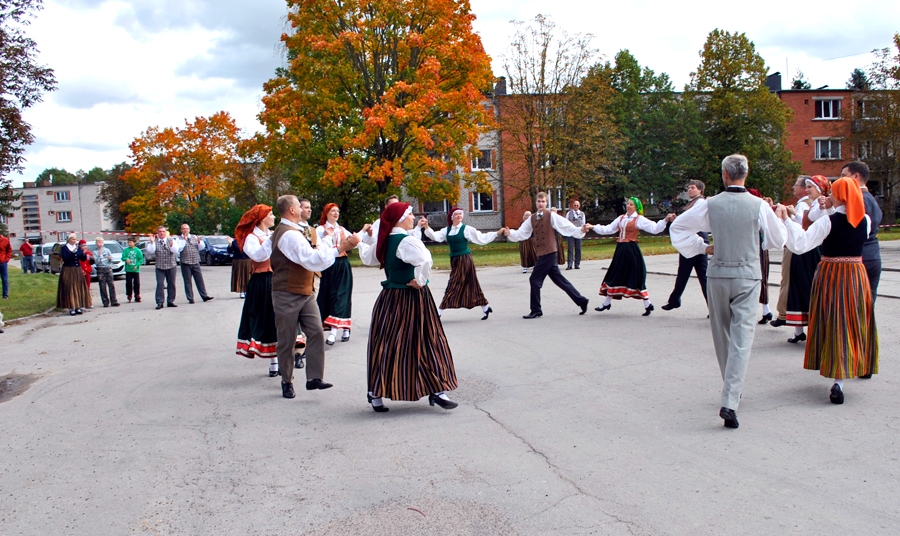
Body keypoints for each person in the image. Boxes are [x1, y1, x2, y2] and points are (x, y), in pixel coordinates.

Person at [669, 154, 787, 429]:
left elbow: (678, 227)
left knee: (722, 336)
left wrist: (702, 247)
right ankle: (730, 397)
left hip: (719, 273)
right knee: (742, 339)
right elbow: (778, 239)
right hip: (747, 274)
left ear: (724, 174)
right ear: (746, 174)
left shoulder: (710, 204)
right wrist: (758, 240)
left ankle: (731, 391)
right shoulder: (759, 205)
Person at [778, 177, 878, 404]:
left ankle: (837, 377)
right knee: (854, 319)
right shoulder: (865, 220)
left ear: (840, 196)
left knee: (835, 322)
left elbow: (801, 244)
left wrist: (787, 221)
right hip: (856, 274)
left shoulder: (829, 221)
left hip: (832, 274)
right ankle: (858, 363)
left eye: (833, 192)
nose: (829, 195)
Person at [367, 202, 458, 412]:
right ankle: (435, 391)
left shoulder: (385, 240)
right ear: (400, 219)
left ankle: (378, 392)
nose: (413, 218)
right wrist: (421, 280)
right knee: (427, 340)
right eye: (409, 215)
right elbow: (426, 259)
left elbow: (368, 257)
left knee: (388, 345)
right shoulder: (406, 240)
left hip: (390, 299)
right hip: (411, 296)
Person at [271, 195, 349, 399]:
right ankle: (286, 381)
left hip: (305, 291)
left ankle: (314, 377)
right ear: (291, 210)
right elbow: (312, 260)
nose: (303, 209)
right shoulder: (289, 234)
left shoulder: (295, 231)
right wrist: (336, 247)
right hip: (286, 293)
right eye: (299, 206)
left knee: (316, 332)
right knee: (287, 340)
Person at [503, 192, 591, 319]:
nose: (541, 204)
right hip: (542, 253)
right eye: (539, 201)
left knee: (534, 280)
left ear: (546, 203)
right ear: (536, 202)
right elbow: (522, 233)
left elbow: (566, 226)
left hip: (549, 253)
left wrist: (579, 230)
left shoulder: (552, 216)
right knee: (560, 280)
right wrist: (510, 233)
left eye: (543, 201)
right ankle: (581, 300)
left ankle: (536, 310)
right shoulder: (532, 218)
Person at [587, 197, 675, 316]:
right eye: (628, 204)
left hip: (631, 250)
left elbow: (654, 229)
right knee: (614, 274)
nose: (628, 206)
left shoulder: (639, 219)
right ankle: (607, 302)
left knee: (636, 275)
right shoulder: (621, 218)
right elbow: (608, 229)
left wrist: (666, 219)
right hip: (621, 249)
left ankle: (647, 303)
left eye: (631, 205)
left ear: (636, 207)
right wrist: (593, 227)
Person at [418, 206, 500, 320]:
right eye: (456, 214)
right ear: (452, 217)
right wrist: (426, 226)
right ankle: (485, 307)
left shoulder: (466, 229)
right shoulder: (447, 230)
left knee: (454, 283)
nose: (459, 216)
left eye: (460, 214)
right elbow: (436, 236)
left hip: (465, 259)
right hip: (455, 260)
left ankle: (439, 311)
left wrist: (497, 233)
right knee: (472, 283)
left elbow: (481, 238)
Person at [234, 204, 279, 377]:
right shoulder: (251, 238)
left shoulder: (272, 235)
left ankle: (286, 357)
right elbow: (259, 256)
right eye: (271, 214)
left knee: (280, 319)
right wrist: (271, 240)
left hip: (278, 278)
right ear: (262, 218)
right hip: (262, 281)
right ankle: (274, 362)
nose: (274, 217)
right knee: (266, 319)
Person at [782, 175, 829, 344]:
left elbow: (813, 226)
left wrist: (790, 218)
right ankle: (799, 329)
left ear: (820, 188)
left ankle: (813, 330)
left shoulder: (822, 205)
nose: (807, 190)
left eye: (810, 187)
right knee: (799, 286)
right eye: (806, 186)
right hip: (805, 249)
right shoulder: (815, 204)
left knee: (809, 287)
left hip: (812, 250)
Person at [316, 203, 368, 345]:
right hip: (328, 265)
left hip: (342, 264)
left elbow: (355, 240)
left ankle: (337, 330)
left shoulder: (342, 229)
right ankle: (338, 327)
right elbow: (318, 247)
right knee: (328, 295)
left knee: (342, 294)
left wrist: (364, 231)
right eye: (332, 211)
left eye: (337, 211)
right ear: (326, 213)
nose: (336, 213)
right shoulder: (320, 229)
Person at [661, 180, 709, 313]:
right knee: (700, 275)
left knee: (687, 273)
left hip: (694, 240)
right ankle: (712, 307)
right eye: (689, 188)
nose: (689, 190)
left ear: (700, 190)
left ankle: (674, 300)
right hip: (695, 239)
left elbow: (694, 221)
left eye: (692, 188)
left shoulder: (699, 202)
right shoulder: (693, 203)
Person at [770, 176, 810, 327]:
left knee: (788, 280)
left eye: (796, 185)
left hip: (796, 247)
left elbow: (800, 226)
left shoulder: (802, 205)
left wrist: (785, 217)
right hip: (805, 247)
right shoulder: (810, 204)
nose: (793, 187)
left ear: (804, 188)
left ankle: (784, 313)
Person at [176, 224, 213, 304]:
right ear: (181, 230)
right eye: (183, 229)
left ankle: (204, 296)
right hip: (185, 262)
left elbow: (201, 247)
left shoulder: (194, 237)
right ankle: (190, 298)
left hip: (195, 261)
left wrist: (199, 242)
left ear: (189, 230)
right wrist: (184, 240)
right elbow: (179, 249)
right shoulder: (178, 239)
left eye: (187, 229)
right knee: (187, 281)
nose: (185, 230)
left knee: (199, 280)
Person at [146, 226, 180, 309]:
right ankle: (160, 302)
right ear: (157, 233)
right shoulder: (155, 242)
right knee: (160, 284)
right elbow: (151, 251)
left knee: (171, 283)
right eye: (160, 231)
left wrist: (172, 246)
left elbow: (175, 251)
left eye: (163, 231)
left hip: (171, 265)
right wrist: (152, 242)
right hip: (160, 266)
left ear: (166, 232)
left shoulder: (171, 240)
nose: (161, 233)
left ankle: (170, 301)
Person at [56, 233, 90, 315]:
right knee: (70, 288)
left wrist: (84, 253)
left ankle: (78, 306)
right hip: (68, 269)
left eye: (75, 239)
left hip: (77, 269)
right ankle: (71, 307)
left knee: (78, 287)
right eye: (73, 239)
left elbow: (82, 259)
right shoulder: (64, 248)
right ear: (69, 240)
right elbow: (65, 259)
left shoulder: (78, 248)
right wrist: (72, 252)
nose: (74, 241)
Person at [93, 237, 120, 307]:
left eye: (101, 242)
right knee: (102, 286)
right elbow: (96, 262)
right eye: (99, 242)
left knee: (111, 285)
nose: (100, 244)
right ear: (96, 243)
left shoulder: (107, 250)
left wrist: (110, 259)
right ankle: (105, 301)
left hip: (108, 268)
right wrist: (99, 256)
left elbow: (112, 260)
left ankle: (114, 301)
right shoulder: (95, 252)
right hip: (100, 269)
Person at [121, 237, 143, 303]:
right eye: (128, 242)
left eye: (130, 242)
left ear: (134, 243)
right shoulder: (126, 250)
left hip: (135, 269)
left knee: (137, 283)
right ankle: (129, 294)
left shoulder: (138, 250)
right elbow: (123, 257)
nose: (129, 244)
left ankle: (137, 295)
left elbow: (140, 259)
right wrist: (126, 259)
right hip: (128, 269)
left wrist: (137, 265)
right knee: (128, 283)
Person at [565, 200, 585, 270]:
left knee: (578, 248)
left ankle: (577, 264)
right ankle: (569, 264)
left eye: (577, 205)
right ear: (572, 206)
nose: (576, 206)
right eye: (575, 205)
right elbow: (566, 222)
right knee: (570, 248)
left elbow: (583, 223)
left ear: (579, 206)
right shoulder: (569, 213)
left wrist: (582, 231)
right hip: (571, 233)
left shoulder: (582, 214)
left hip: (579, 233)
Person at [0, 231, 10, 299]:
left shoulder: (5, 240)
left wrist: (6, 259)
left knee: (4, 279)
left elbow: (9, 250)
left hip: (3, 262)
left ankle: (5, 295)